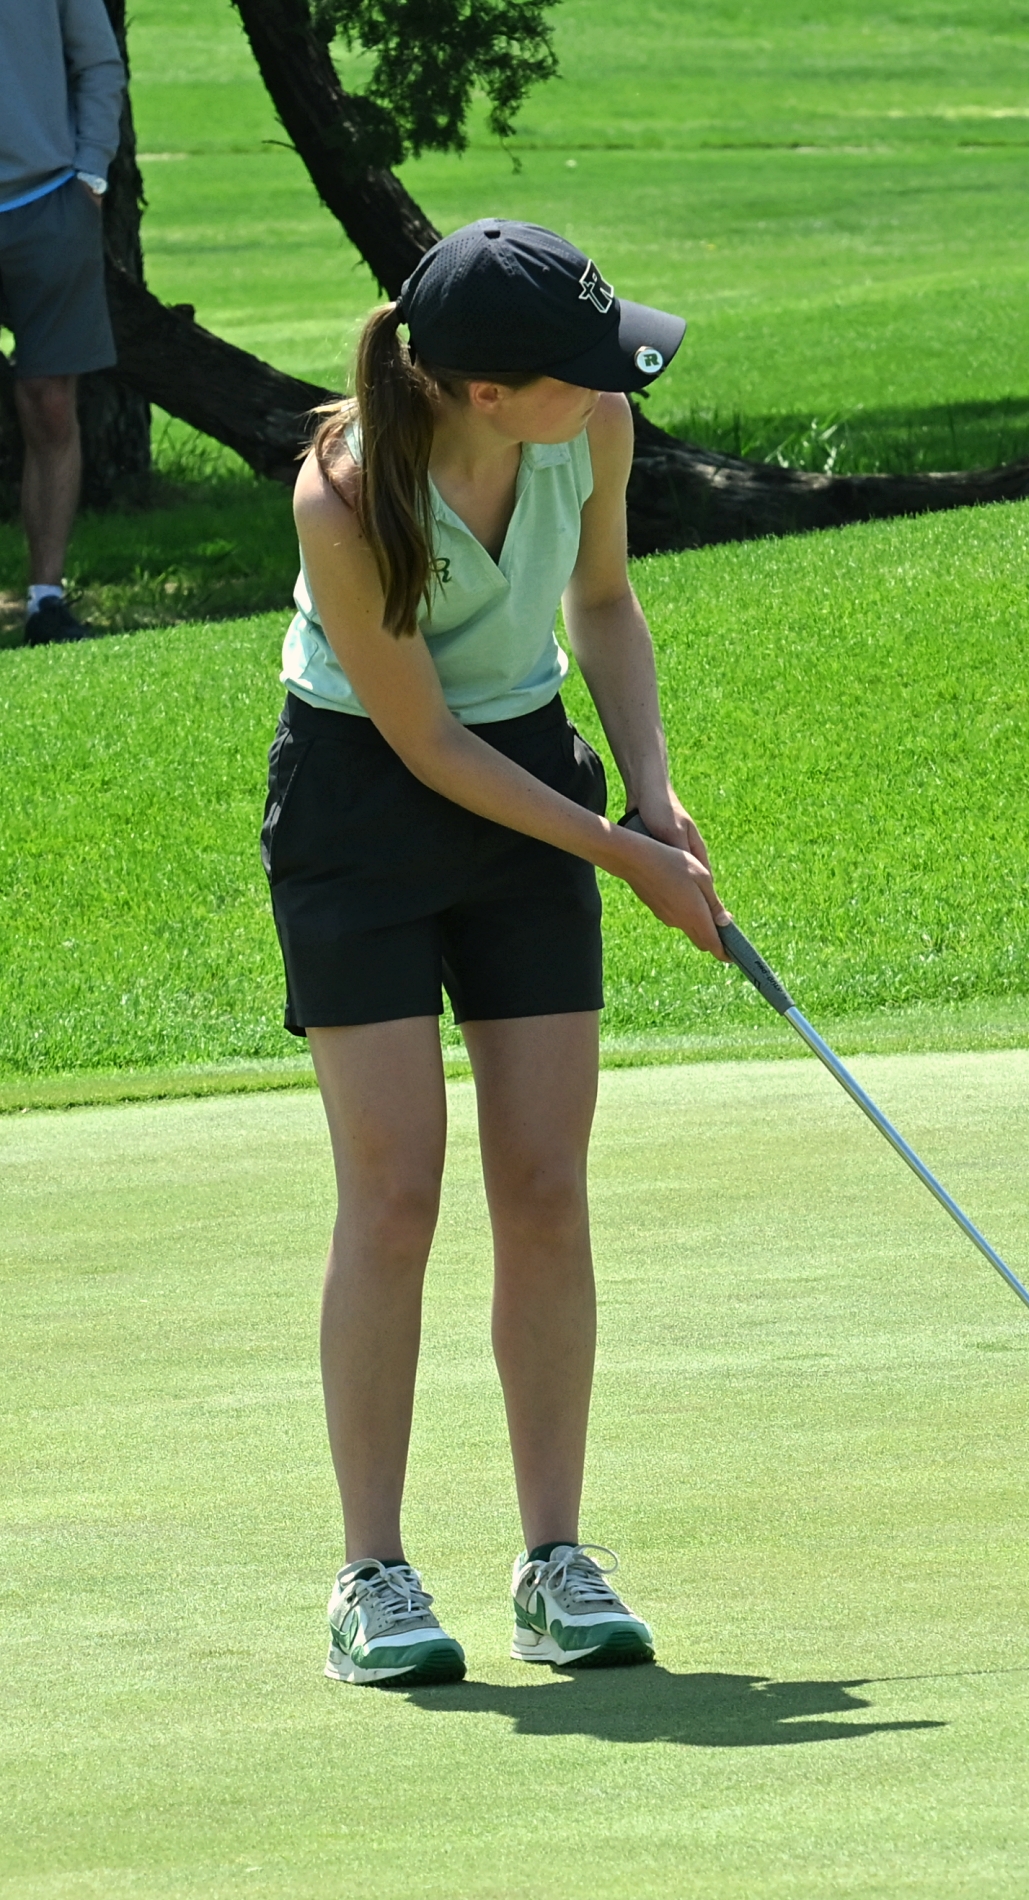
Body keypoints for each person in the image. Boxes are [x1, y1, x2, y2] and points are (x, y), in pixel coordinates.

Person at [263, 219, 728, 1686]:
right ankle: (371, 1573)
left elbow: (600, 604)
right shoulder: (343, 500)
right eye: (575, 369)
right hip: (361, 808)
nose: (607, 385)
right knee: (395, 1191)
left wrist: (654, 795)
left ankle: (552, 1560)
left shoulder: (590, 428)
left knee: (542, 1180)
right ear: (475, 389)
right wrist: (623, 858)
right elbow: (419, 739)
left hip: (526, 762)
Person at [0, 0, 125, 645]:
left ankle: (45, 600)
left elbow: (98, 62)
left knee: (49, 404)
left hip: (47, 201)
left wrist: (91, 169)